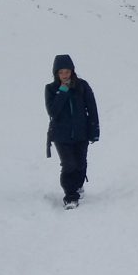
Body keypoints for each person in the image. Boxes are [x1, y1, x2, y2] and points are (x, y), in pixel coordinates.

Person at [45, 55, 99, 209]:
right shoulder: (51, 89)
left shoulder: (82, 86)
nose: (64, 75)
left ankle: (77, 185)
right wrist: (63, 91)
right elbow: (53, 111)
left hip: (81, 134)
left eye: (67, 71)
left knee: (81, 164)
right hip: (60, 135)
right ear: (56, 73)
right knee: (69, 164)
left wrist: (94, 130)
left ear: (72, 71)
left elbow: (92, 109)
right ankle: (70, 196)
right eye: (61, 72)